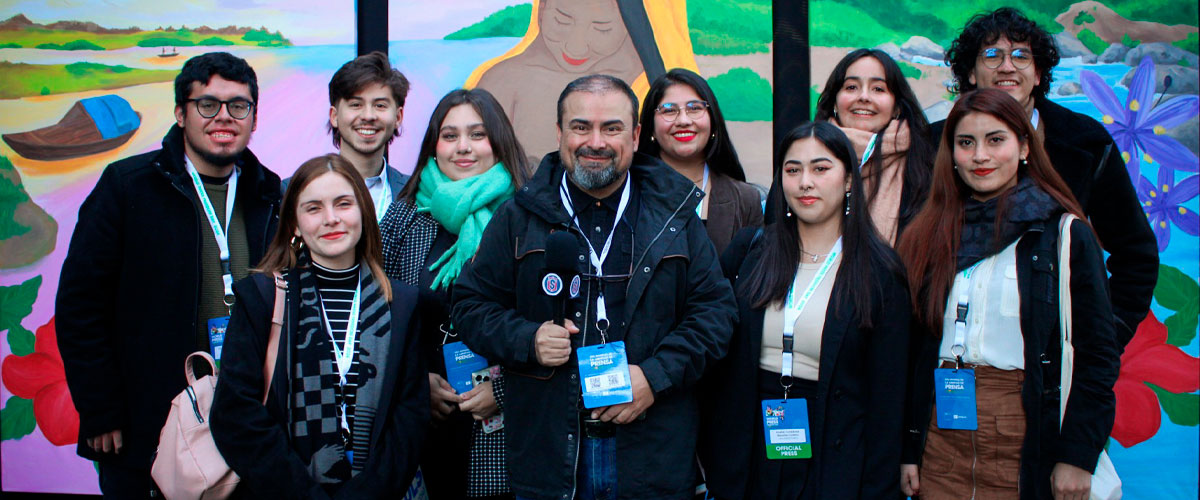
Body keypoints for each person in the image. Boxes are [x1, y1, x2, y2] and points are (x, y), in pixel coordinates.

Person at [451, 74, 736, 500]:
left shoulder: (676, 218)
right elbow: (469, 304)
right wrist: (526, 338)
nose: (595, 141)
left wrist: (652, 377)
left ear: (637, 135)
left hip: (650, 453)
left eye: (612, 128)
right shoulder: (518, 215)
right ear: (560, 133)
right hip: (550, 456)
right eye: (581, 127)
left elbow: (716, 316)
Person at [55, 52, 281, 499]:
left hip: (248, 418)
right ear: (181, 113)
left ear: (254, 117)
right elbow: (81, 304)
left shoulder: (270, 193)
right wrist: (100, 409)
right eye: (208, 104)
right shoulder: (128, 186)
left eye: (239, 105)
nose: (224, 117)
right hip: (147, 422)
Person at [897, 89, 1119, 499]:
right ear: (952, 155)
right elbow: (912, 351)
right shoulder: (927, 234)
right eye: (966, 143)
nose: (980, 155)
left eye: (995, 140)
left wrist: (1078, 455)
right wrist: (909, 448)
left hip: (1027, 431)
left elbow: (1098, 355)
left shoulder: (1064, 235)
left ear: (1024, 148)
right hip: (940, 438)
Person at [700, 122, 910, 499]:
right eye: (792, 170)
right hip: (749, 447)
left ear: (848, 180)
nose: (805, 182)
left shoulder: (879, 272)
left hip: (836, 446)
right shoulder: (751, 251)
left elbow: (887, 399)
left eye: (820, 168)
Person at [938, 7, 1157, 347]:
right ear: (970, 72)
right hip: (951, 353)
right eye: (992, 55)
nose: (1007, 66)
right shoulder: (931, 143)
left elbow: (1136, 255)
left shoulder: (1085, 143)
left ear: (1038, 74)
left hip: (1053, 360)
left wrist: (1101, 338)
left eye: (1021, 56)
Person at [210, 154, 427, 498]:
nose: (331, 219)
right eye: (313, 208)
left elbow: (410, 417)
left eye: (343, 203)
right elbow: (235, 416)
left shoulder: (401, 304)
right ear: (294, 223)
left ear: (363, 213)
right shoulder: (261, 299)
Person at [379, 88, 530, 499]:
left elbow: (553, 325)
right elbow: (375, 315)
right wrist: (413, 384)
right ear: (433, 144)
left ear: (498, 141)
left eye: (478, 134)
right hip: (421, 420)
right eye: (449, 136)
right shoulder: (406, 214)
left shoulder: (531, 215)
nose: (463, 147)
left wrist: (501, 393)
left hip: (506, 425)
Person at [470, 0, 700, 159]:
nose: (575, 47)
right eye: (561, 21)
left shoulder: (652, 86)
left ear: (632, 26)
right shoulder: (505, 80)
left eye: (602, 29)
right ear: (542, 10)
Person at [814, 48, 935, 244]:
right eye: (851, 87)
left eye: (878, 89)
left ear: (897, 107)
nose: (864, 97)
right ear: (834, 101)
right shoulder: (804, 158)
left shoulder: (926, 165)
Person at [637, 68, 763, 255]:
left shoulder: (746, 199)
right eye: (669, 110)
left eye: (695, 108)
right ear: (651, 127)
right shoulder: (630, 191)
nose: (684, 120)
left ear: (712, 120)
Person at [284, 51, 410, 219]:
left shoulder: (414, 193)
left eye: (380, 105)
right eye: (356, 104)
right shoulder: (294, 190)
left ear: (398, 117)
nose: (368, 116)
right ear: (334, 116)